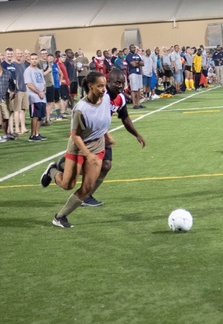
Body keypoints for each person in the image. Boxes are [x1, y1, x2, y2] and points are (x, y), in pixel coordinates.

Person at [39, 71, 111, 228]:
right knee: (68, 185)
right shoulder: (81, 109)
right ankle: (52, 171)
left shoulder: (105, 98)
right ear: (90, 87)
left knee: (87, 187)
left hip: (97, 146)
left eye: (104, 85)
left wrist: (106, 136)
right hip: (78, 147)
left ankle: (60, 216)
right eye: (100, 86)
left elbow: (101, 119)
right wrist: (87, 154)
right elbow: (76, 135)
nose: (104, 89)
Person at [66, 68, 146, 207]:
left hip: (101, 135)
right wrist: (105, 134)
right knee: (81, 170)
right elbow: (88, 112)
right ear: (108, 82)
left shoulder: (120, 98)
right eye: (117, 82)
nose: (120, 85)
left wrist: (137, 134)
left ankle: (87, 195)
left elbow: (125, 118)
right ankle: (62, 169)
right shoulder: (100, 94)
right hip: (86, 134)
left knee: (106, 165)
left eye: (122, 82)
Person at [25, 51, 47, 141]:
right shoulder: (28, 71)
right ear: (29, 60)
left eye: (35, 59)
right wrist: (39, 92)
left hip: (42, 97)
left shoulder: (39, 71)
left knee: (40, 117)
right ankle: (32, 135)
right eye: (32, 59)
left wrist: (43, 91)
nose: (34, 61)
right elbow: (29, 84)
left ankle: (37, 133)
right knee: (35, 116)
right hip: (34, 97)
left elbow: (44, 83)